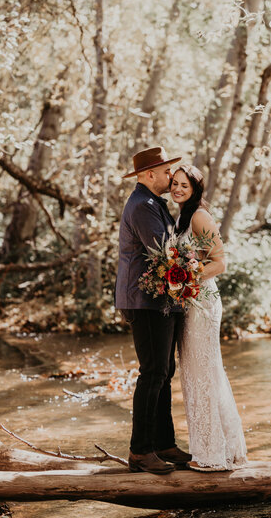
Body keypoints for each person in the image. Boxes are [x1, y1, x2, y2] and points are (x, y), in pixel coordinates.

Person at [115, 146, 192, 475]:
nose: (169, 177)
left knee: (164, 373)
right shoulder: (143, 205)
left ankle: (163, 444)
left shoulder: (152, 203)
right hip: (144, 302)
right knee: (153, 374)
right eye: (164, 172)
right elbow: (165, 253)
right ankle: (140, 451)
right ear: (148, 175)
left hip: (160, 300)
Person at [170, 164, 247, 472]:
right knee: (195, 375)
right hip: (189, 303)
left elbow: (221, 262)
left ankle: (215, 455)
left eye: (184, 186)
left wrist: (188, 278)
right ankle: (212, 450)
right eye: (174, 184)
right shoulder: (180, 217)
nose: (177, 189)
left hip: (203, 301)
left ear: (195, 190)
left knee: (205, 374)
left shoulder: (200, 216)